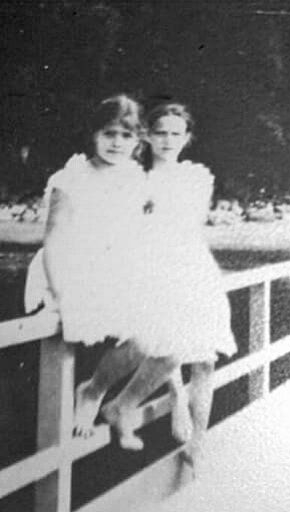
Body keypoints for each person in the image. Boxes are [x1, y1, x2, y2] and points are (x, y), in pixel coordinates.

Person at [79, 101, 237, 452]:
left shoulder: (197, 176)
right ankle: (124, 398)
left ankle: (196, 443)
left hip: (192, 267)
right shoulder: (134, 178)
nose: (167, 140)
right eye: (160, 132)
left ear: (187, 137)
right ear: (147, 136)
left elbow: (186, 225)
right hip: (151, 266)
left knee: (201, 354)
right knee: (158, 342)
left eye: (175, 133)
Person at [38, 94, 150, 448]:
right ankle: (85, 400)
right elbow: (54, 239)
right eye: (109, 133)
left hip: (115, 270)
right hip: (68, 269)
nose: (117, 142)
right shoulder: (72, 177)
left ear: (138, 140)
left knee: (152, 334)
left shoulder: (136, 178)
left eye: (126, 135)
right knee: (82, 323)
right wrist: (59, 293)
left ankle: (94, 389)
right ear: (94, 134)